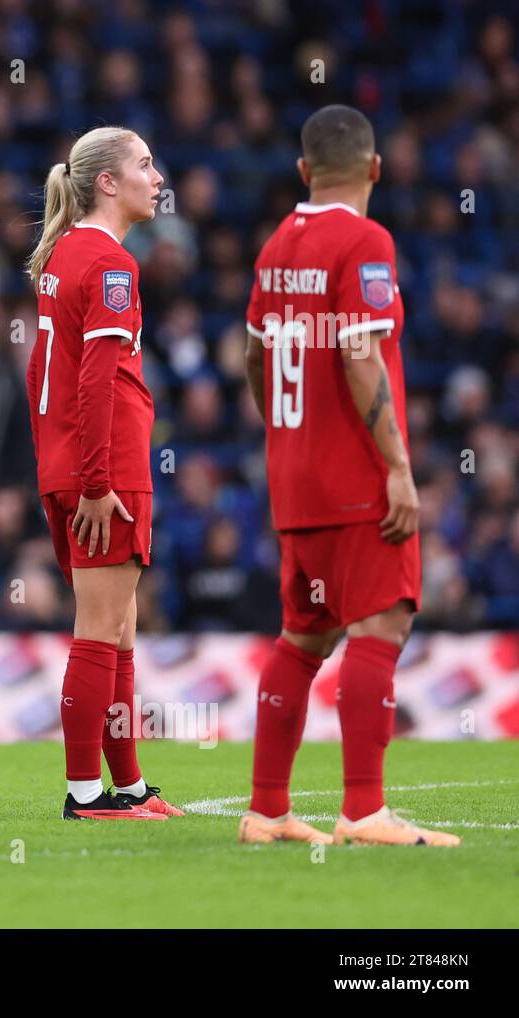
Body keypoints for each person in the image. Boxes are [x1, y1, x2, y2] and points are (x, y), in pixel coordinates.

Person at [242, 105, 457, 847]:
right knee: (383, 624)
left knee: (303, 636)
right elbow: (362, 354)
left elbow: (252, 356)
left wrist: (286, 435)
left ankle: (266, 811)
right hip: (356, 479)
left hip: (294, 481)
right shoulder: (366, 241)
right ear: (374, 168)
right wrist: (399, 467)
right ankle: (365, 810)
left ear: (304, 172)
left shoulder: (275, 248)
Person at [25, 126, 183, 821]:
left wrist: (63, 468)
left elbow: (42, 375)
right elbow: (93, 380)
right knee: (99, 632)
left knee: (119, 633)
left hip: (76, 465)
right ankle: (85, 792)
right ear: (108, 183)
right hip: (105, 471)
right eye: (145, 165)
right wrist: (95, 481)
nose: (158, 177)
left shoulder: (65, 254)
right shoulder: (113, 265)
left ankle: (130, 786)